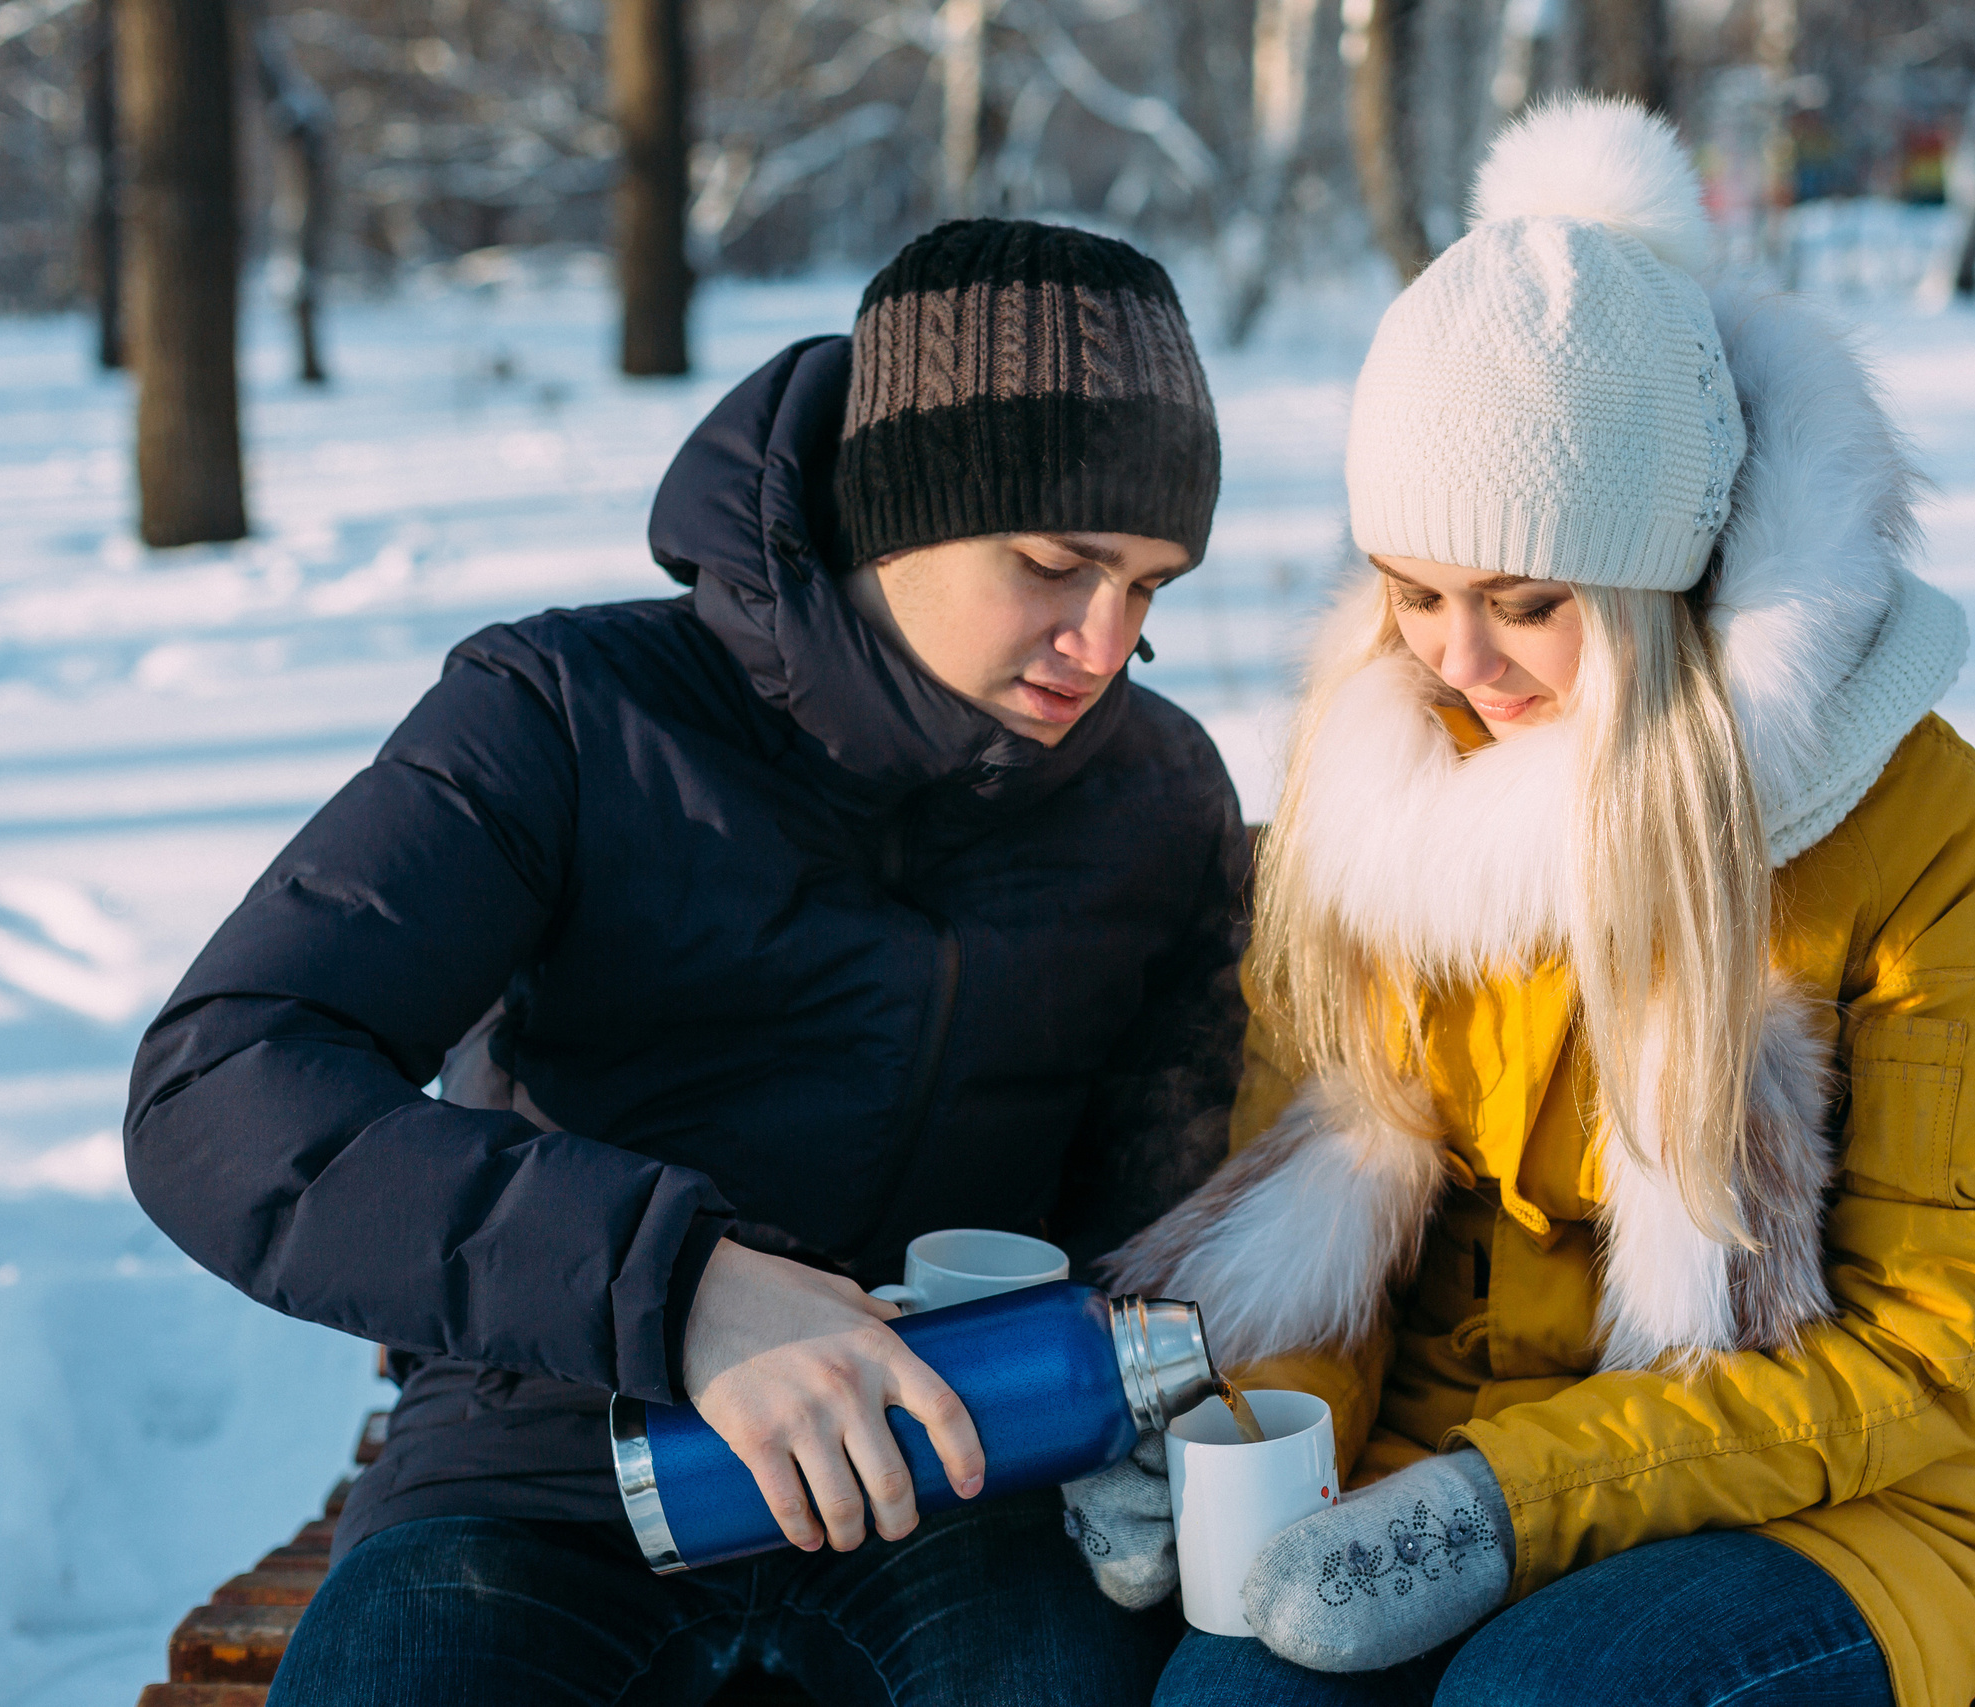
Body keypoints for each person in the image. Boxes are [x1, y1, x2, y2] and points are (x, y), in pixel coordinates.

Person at [123, 219, 1250, 1707]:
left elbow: (1160, 1208)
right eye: (1054, 563)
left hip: (955, 1485)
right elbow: (220, 1086)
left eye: (1153, 586)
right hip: (545, 1470)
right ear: (896, 508)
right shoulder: (571, 715)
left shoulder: (1148, 794)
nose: (1104, 641)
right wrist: (681, 1289)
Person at [1063, 98, 1975, 1707]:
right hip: (1401, 1488)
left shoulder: (1915, 826)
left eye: (1529, 602)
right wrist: (1237, 1439)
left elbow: (1917, 1359)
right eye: (1415, 591)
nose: (1457, 662)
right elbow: (1304, 1236)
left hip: (1818, 1510)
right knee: (1225, 1698)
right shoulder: (1383, 784)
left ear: (1661, 574)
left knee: (1546, 1692)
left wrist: (1502, 1508)